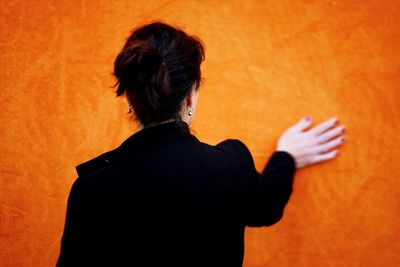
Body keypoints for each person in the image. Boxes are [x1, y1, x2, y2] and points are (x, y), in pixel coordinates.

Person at [56, 22, 346, 267]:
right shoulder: (232, 165)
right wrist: (287, 156)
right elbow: (266, 207)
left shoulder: (92, 189)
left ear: (130, 97)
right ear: (191, 95)